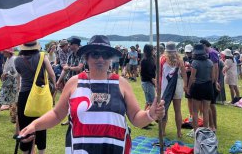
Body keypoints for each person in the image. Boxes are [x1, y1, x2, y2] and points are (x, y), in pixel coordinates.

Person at [19, 35, 165, 154]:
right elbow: (57, 115)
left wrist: (150, 114)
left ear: (111, 59)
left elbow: (135, 118)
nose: (100, 59)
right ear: (86, 57)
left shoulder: (122, 84)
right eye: (95, 54)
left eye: (105, 55)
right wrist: (34, 125)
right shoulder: (73, 82)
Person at [14, 40, 56, 154]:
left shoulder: (17, 60)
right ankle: (41, 152)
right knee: (41, 125)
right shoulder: (42, 56)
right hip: (39, 94)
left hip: (24, 95)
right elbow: (52, 74)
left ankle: (25, 151)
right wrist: (54, 87)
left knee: (24, 126)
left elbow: (19, 75)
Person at [160, 41, 187, 138]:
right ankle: (179, 132)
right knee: (178, 110)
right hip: (178, 85)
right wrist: (185, 85)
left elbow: (159, 74)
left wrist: (157, 87)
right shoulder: (180, 59)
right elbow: (184, 73)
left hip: (166, 86)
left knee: (164, 109)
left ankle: (162, 131)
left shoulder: (162, 59)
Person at [187, 43, 214, 135]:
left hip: (197, 87)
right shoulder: (210, 62)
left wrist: (188, 87)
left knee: (195, 111)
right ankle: (205, 130)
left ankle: (195, 131)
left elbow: (192, 77)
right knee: (206, 110)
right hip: (208, 87)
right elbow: (212, 77)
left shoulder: (195, 62)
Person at [0, 48, 19, 123]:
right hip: (8, 81)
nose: (2, 53)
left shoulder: (13, 59)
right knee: (3, 94)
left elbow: (15, 71)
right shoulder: (9, 58)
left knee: (14, 98)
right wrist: (4, 73)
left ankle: (14, 114)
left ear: (8, 52)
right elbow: (6, 69)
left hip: (13, 81)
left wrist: (6, 73)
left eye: (4, 51)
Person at [140, 44, 156, 111]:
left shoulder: (152, 59)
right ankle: (148, 117)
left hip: (148, 82)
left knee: (149, 101)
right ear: (150, 51)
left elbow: (154, 69)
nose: (154, 51)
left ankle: (144, 118)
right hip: (147, 82)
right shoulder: (145, 60)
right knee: (152, 102)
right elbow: (143, 73)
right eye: (152, 50)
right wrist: (151, 79)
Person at [183, 44, 193, 118]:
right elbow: (183, 68)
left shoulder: (195, 59)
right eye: (186, 52)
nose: (188, 54)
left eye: (189, 52)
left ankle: (196, 115)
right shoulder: (184, 58)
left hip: (193, 80)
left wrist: (189, 69)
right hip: (187, 79)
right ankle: (191, 115)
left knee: (195, 99)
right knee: (189, 98)